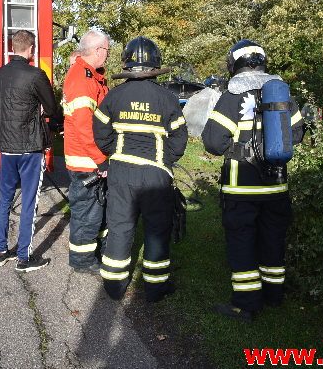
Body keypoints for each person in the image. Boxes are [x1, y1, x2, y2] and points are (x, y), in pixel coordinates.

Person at [201, 39, 304, 321]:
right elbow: (297, 135)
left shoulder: (232, 96)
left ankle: (246, 304)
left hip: (241, 187)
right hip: (276, 186)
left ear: (234, 64)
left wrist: (239, 147)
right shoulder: (282, 94)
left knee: (242, 242)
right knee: (273, 240)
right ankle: (274, 296)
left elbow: (212, 141)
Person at [93, 36, 188, 302]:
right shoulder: (167, 98)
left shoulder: (114, 96)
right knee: (157, 229)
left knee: (120, 225)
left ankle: (114, 285)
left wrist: (115, 154)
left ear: (127, 64)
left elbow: (100, 132)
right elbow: (179, 139)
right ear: (155, 66)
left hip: (121, 173)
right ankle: (155, 288)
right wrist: (164, 161)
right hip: (156, 176)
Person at [0, 30, 59, 273]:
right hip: (30, 147)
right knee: (29, 202)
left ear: (13, 48)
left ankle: (0, 251)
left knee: (5, 199)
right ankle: (23, 257)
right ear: (31, 48)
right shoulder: (35, 75)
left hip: (7, 147)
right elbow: (51, 107)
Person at [62, 30, 111, 274]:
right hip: (86, 160)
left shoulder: (90, 76)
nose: (108, 56)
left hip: (88, 158)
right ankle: (82, 260)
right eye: (107, 51)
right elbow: (84, 127)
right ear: (98, 50)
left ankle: (96, 251)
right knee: (87, 212)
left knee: (96, 209)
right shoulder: (83, 79)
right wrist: (101, 160)